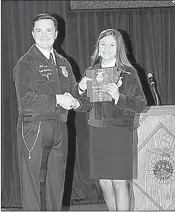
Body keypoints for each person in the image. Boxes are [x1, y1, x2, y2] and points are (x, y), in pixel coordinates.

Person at [13, 13, 88, 211]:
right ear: (32, 34)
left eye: (48, 30)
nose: (44, 35)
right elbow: (26, 101)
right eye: (39, 30)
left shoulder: (63, 62)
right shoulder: (25, 63)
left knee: (56, 185)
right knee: (34, 186)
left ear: (56, 34)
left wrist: (80, 89)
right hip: (35, 128)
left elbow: (72, 91)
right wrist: (57, 99)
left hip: (60, 126)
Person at [77, 29, 147, 211]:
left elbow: (140, 104)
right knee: (104, 183)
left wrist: (118, 97)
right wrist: (80, 89)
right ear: (98, 48)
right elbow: (85, 105)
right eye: (103, 44)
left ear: (119, 49)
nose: (107, 48)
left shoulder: (129, 73)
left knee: (120, 183)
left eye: (111, 44)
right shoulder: (91, 72)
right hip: (97, 131)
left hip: (119, 132)